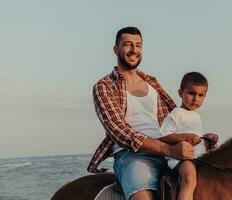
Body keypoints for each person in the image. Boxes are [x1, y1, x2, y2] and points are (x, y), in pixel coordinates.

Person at [87, 27, 201, 200]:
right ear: (116, 49)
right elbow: (121, 133)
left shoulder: (152, 83)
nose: (134, 50)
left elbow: (176, 117)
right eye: (127, 44)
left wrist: (201, 140)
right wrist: (169, 149)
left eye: (138, 45)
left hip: (168, 151)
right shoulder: (105, 86)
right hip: (133, 156)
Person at [160, 72, 217, 200]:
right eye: (191, 93)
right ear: (181, 93)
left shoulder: (196, 117)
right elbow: (163, 137)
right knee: (189, 179)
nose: (195, 99)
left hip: (197, 157)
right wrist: (185, 137)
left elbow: (196, 139)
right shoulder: (176, 114)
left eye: (200, 95)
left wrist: (207, 142)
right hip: (181, 158)